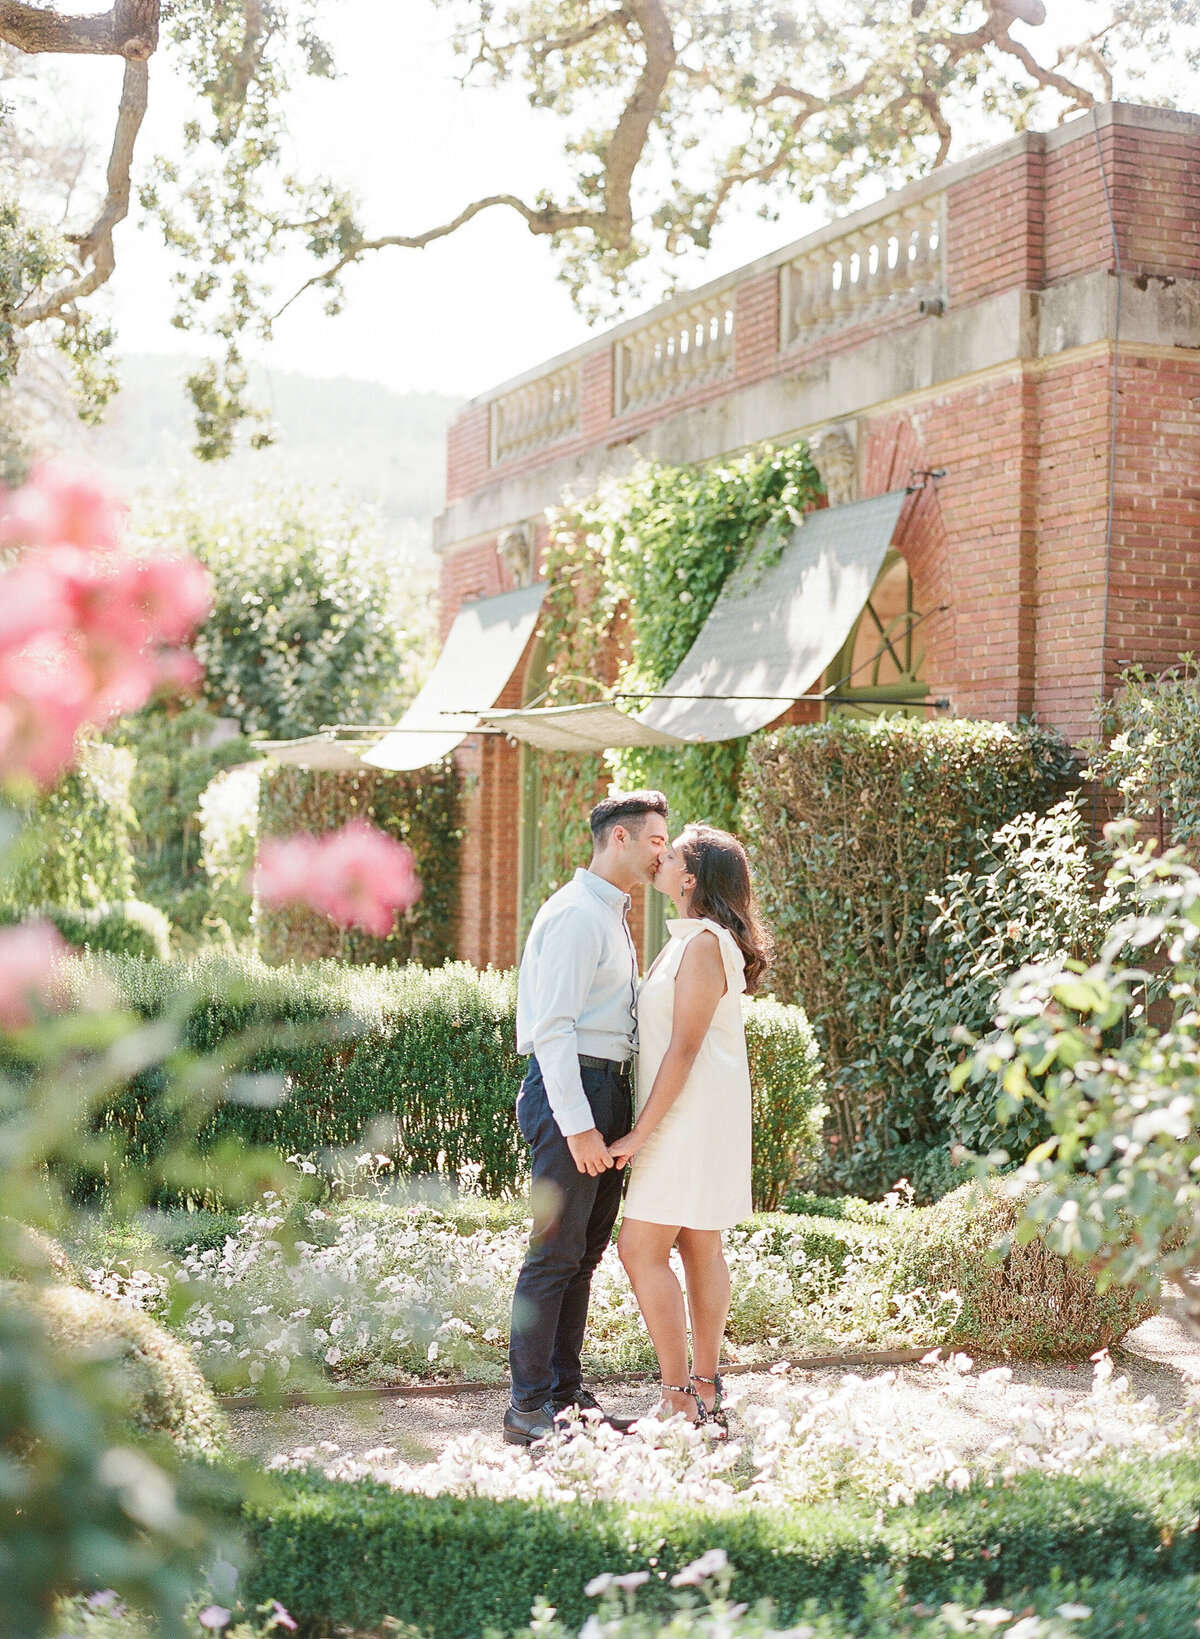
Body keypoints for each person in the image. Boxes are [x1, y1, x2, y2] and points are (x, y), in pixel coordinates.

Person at [504, 790, 670, 1446]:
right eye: (657, 839)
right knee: (552, 1255)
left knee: (581, 1255)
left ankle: (566, 1400)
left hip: (605, 1090)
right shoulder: (576, 914)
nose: (664, 851)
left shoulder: (608, 913)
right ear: (621, 839)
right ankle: (527, 1407)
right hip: (571, 1091)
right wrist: (577, 1124)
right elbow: (554, 1027)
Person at [610, 824, 772, 1431]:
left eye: (670, 851)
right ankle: (703, 1393)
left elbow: (682, 1051)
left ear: (692, 877)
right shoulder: (689, 939)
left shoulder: (704, 943)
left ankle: (681, 1395)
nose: (660, 855)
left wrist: (637, 1135)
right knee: (698, 1242)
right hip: (691, 1114)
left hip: (689, 1119)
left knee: (640, 1248)